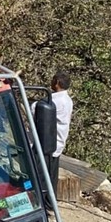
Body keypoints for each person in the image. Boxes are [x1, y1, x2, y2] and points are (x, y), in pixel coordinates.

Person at [48, 70, 73, 198]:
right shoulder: (67, 100)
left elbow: (35, 109)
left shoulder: (57, 101)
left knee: (45, 177)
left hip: (50, 143)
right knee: (52, 176)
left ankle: (46, 203)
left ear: (57, 83)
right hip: (57, 143)